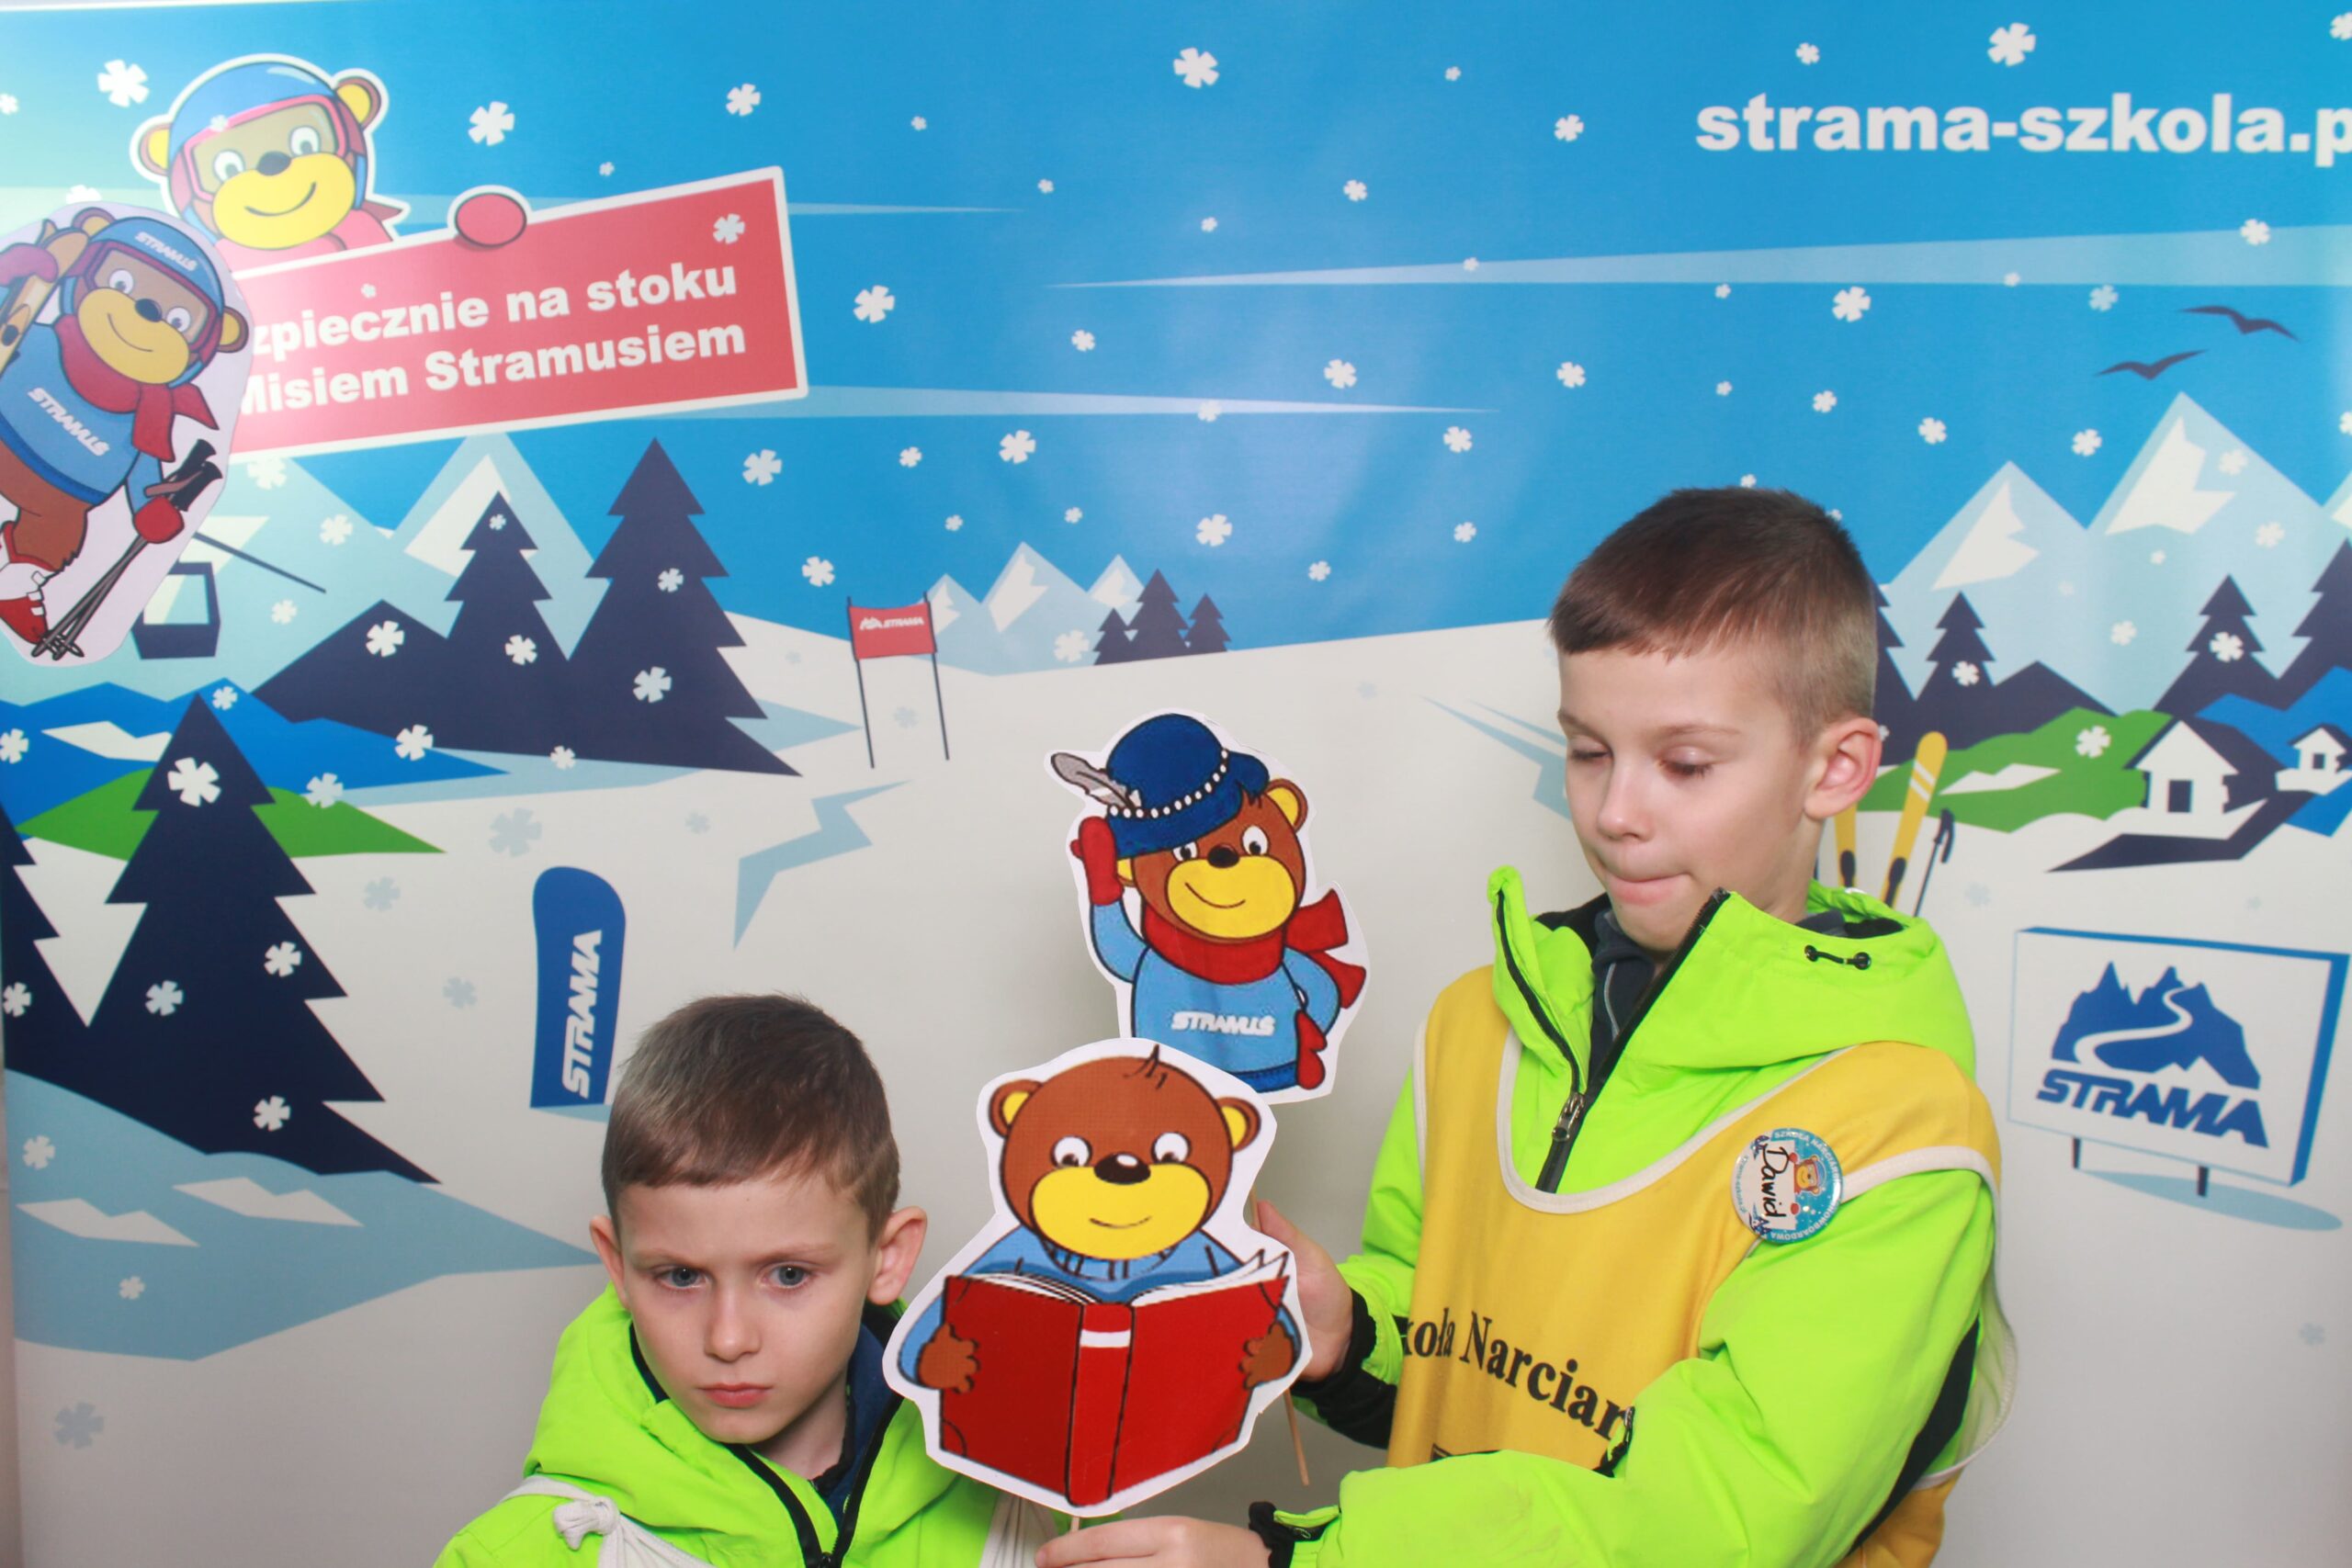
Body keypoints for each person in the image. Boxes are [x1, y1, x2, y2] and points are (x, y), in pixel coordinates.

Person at [1042, 488, 2013, 1568]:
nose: (1614, 813)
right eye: (1588, 751)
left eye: (1685, 764)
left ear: (1834, 769)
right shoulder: (1479, 1024)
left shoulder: (1900, 1130)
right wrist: (1347, 1331)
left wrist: (1304, 1560)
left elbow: (1717, 1523)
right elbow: (1447, 1352)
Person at [437, 994, 1054, 1566]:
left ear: (888, 1257)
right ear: (618, 1264)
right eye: (681, 1276)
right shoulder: (507, 1556)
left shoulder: (1024, 1510)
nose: (728, 1339)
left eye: (788, 1274)